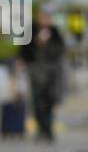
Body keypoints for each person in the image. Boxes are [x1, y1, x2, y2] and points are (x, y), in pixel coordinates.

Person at [20, 9, 66, 142]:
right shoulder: (30, 30)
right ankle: (41, 129)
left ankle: (48, 130)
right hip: (36, 72)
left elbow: (60, 50)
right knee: (37, 103)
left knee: (49, 102)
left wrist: (48, 43)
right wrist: (37, 42)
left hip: (51, 74)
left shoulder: (55, 32)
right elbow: (24, 51)